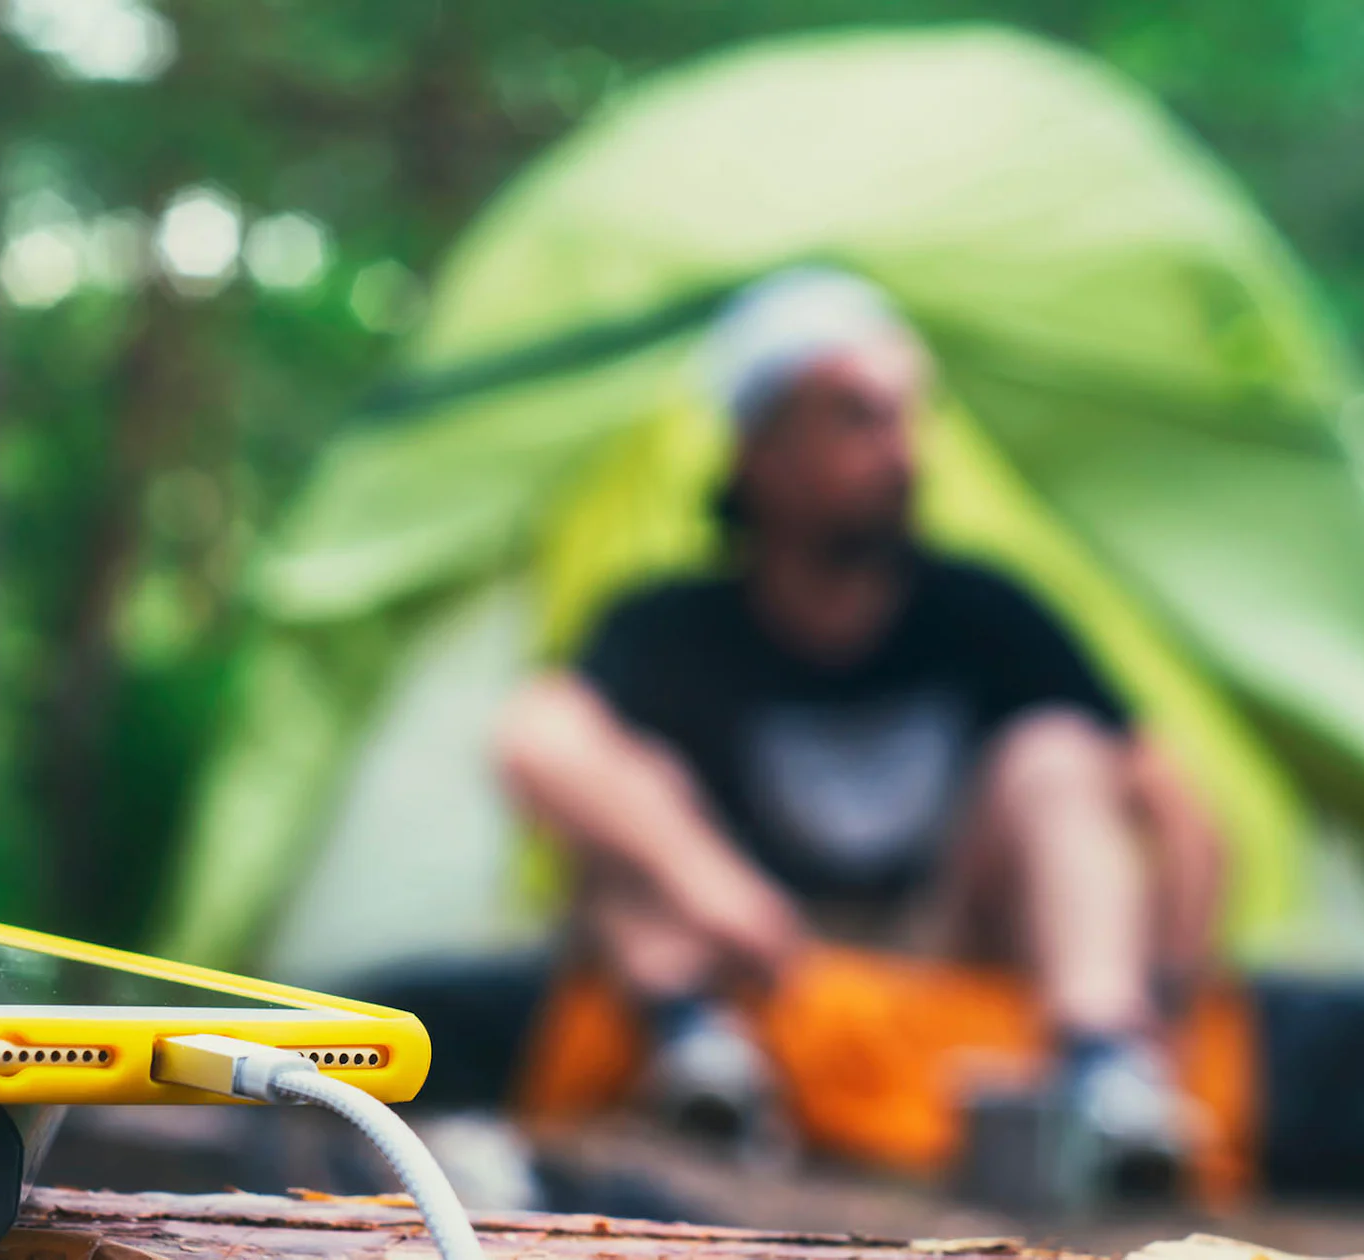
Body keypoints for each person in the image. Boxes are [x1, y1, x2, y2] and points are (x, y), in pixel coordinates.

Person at [490, 268, 1226, 1177]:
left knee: (1057, 754)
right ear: (761, 449)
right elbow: (531, 739)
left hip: (940, 949)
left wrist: (1173, 997)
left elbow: (1183, 815)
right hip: (746, 977)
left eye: (907, 416)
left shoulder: (986, 612)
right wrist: (715, 884)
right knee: (623, 781)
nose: (900, 448)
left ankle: (1108, 1070)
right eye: (856, 415)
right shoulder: (670, 625)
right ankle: (701, 1067)